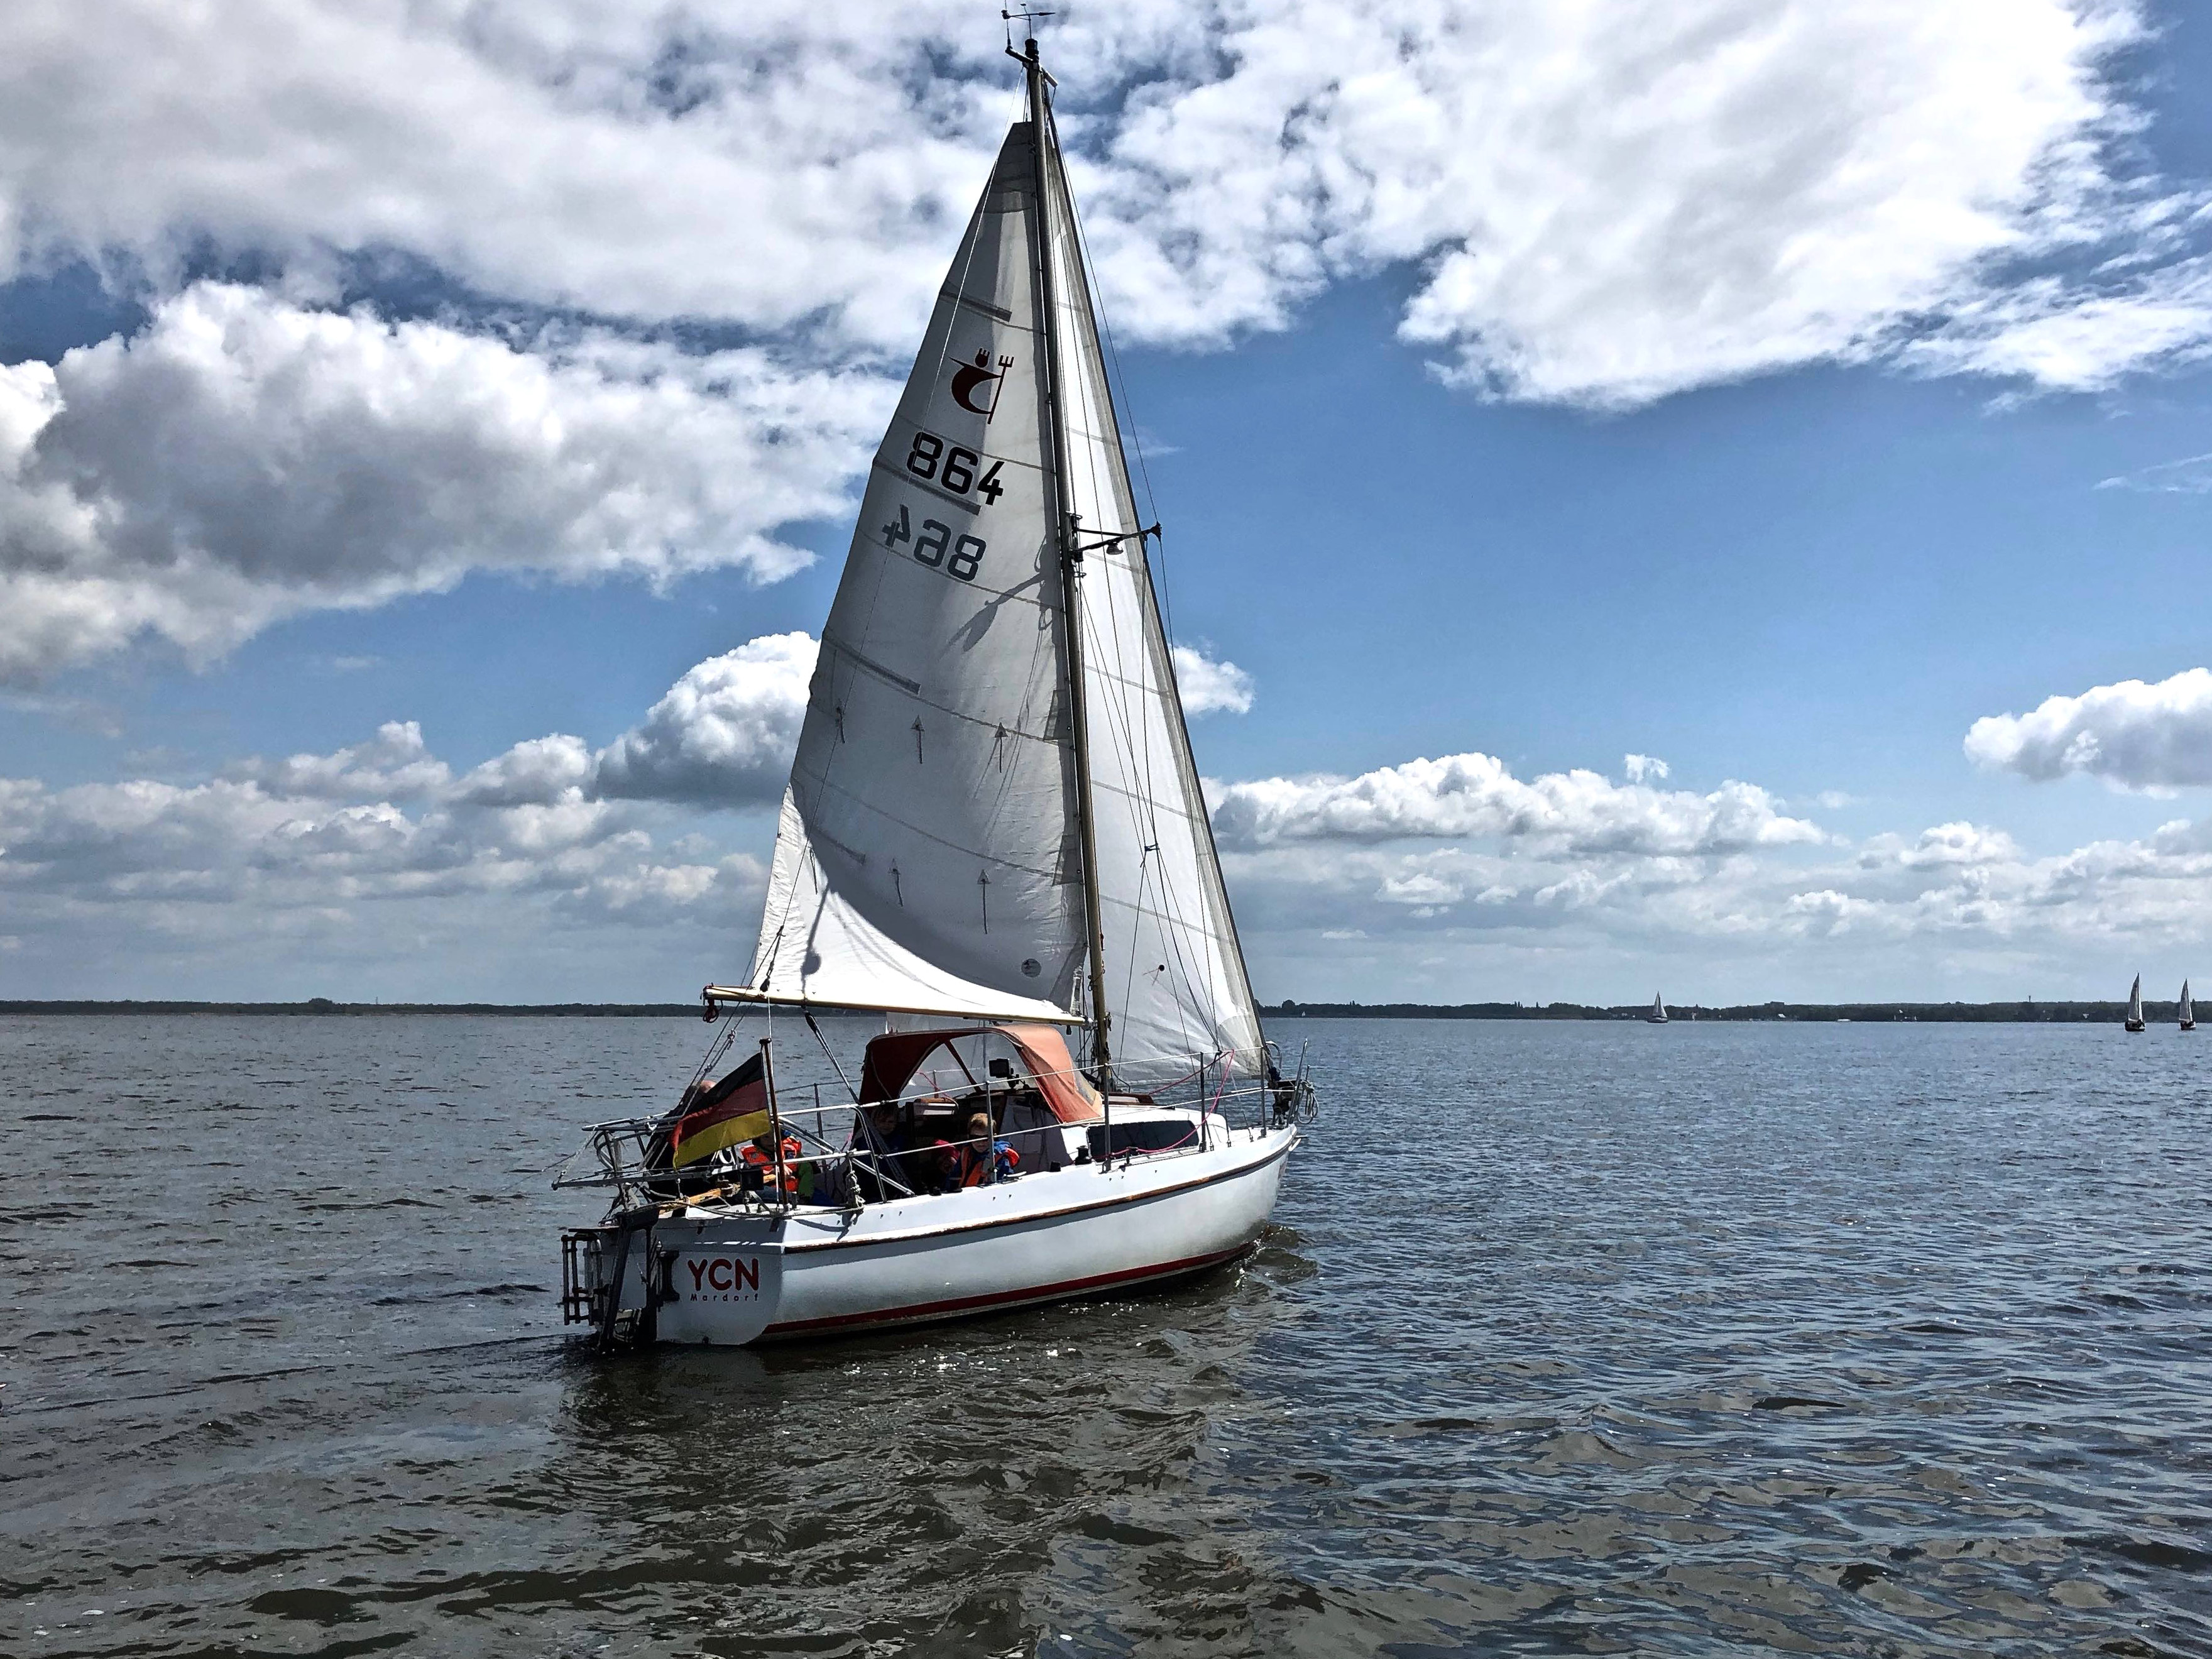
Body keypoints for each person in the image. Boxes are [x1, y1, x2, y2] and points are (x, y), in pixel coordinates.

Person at [955, 1110, 1021, 1188]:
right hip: (964, 1194)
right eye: (975, 1138)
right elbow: (953, 1175)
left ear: (994, 1137)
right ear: (969, 1138)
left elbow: (1006, 1185)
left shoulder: (1000, 1158)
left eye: (986, 1138)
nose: (981, 1143)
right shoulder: (966, 1153)